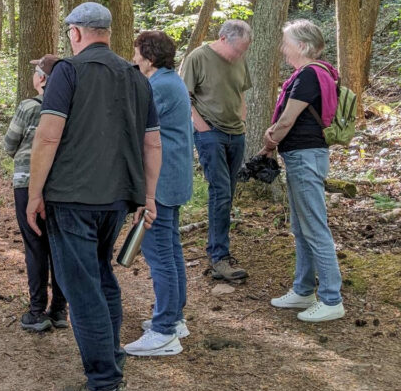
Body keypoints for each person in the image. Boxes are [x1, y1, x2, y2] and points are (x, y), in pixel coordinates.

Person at [27, 2, 162, 391]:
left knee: (82, 286)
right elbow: (153, 143)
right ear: (107, 31)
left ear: (75, 33)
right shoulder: (136, 77)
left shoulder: (67, 72)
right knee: (101, 277)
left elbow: (48, 137)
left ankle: (105, 384)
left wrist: (34, 194)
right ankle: (111, 362)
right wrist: (148, 197)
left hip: (72, 197)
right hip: (117, 198)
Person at [263, 20, 345, 323]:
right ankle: (303, 289)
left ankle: (332, 298)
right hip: (303, 156)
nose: (283, 49)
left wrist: (269, 141)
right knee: (301, 227)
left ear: (301, 45)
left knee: (314, 228)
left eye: (286, 43)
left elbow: (287, 119)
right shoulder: (318, 72)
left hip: (305, 157)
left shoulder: (309, 74)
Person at [124, 32, 193, 357]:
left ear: (149, 57)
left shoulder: (159, 85)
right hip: (173, 177)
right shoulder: (169, 80)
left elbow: (135, 125)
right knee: (171, 249)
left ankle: (164, 330)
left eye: (137, 53)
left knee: (160, 254)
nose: (134, 58)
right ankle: (174, 318)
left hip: (162, 182)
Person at [181, 19, 252, 282]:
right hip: (211, 134)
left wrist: (242, 120)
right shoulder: (198, 58)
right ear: (223, 39)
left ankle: (218, 249)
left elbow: (241, 91)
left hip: (236, 134)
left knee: (228, 193)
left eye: (244, 50)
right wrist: (203, 129)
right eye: (237, 49)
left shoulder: (240, 60)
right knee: (220, 191)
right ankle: (218, 257)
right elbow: (184, 98)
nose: (239, 54)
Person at [4, 54, 67, 333]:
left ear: (41, 79)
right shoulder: (69, 106)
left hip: (27, 183)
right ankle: (60, 310)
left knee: (35, 245)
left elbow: (9, 144)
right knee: (59, 246)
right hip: (61, 185)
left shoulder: (29, 106)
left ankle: (37, 310)